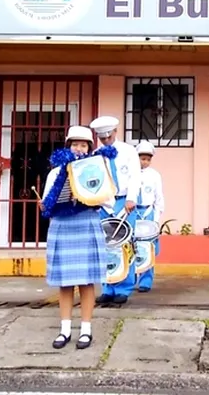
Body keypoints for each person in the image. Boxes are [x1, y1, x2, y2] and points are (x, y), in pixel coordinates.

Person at [39, 125, 109, 350]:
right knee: (65, 282)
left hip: (86, 222)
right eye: (75, 145)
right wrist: (44, 205)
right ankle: (65, 330)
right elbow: (47, 204)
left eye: (83, 145)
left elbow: (107, 198)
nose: (78, 149)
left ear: (89, 148)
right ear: (68, 146)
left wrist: (91, 196)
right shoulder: (55, 173)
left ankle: (86, 330)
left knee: (87, 281)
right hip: (62, 225)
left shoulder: (97, 169)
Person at [90, 116, 142, 305]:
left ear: (115, 132)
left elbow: (135, 176)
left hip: (124, 201)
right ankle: (107, 287)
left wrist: (131, 198)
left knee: (124, 244)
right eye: (102, 138)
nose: (106, 141)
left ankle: (124, 288)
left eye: (109, 137)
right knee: (105, 246)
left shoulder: (128, 151)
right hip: (104, 203)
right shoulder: (95, 154)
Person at [135, 141, 165, 293]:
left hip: (148, 213)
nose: (145, 162)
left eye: (148, 159)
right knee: (132, 247)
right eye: (142, 158)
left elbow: (159, 198)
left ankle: (146, 280)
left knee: (148, 248)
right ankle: (131, 277)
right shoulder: (131, 173)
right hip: (133, 212)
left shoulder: (154, 175)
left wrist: (156, 219)